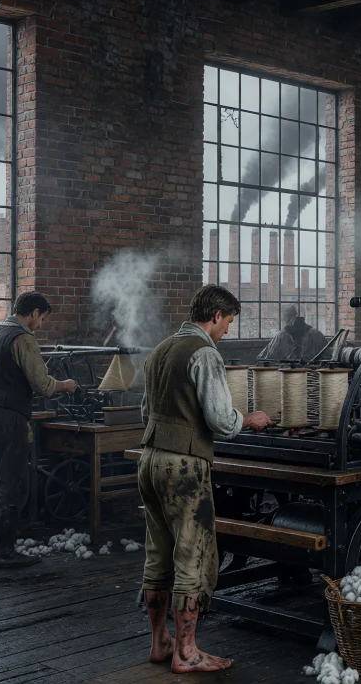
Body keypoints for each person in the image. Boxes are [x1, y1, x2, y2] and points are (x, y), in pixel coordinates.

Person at [138, 285, 272, 673]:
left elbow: (146, 411)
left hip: (149, 460)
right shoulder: (204, 353)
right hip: (183, 466)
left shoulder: (160, 350)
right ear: (216, 315)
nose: (226, 331)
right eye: (228, 322)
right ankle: (186, 652)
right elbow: (219, 419)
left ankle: (160, 643)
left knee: (157, 554)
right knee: (191, 557)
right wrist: (248, 418)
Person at [0, 292, 79, 568]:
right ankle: (6, 553)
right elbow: (42, 386)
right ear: (32, 312)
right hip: (9, 417)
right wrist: (65, 384)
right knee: (10, 484)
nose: (40, 324)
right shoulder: (23, 339)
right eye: (41, 318)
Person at [256, 305, 328, 362]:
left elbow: (265, 358)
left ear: (286, 318)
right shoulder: (317, 334)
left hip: (288, 375)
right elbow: (328, 358)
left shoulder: (281, 336)